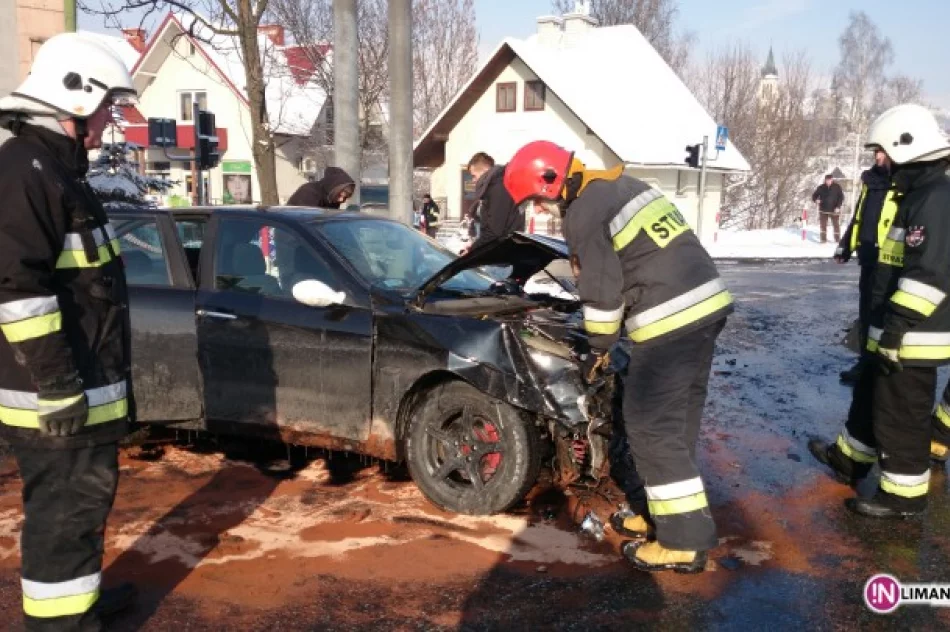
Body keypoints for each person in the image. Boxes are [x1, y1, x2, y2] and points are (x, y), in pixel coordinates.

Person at [504, 141, 733, 573]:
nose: (542, 209)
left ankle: (683, 544)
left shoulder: (584, 212)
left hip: (670, 321)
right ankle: (665, 517)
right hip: (706, 309)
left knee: (651, 428)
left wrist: (597, 348)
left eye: (537, 200)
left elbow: (602, 294)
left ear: (549, 182)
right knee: (676, 425)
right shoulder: (621, 187)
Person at [0, 33, 140, 630]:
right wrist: (57, 384)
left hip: (81, 391)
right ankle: (61, 623)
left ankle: (79, 600)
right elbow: (16, 289)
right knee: (64, 517)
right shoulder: (26, 172)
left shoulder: (54, 170)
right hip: (57, 400)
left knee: (80, 511)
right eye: (107, 106)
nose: (111, 119)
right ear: (74, 99)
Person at [809, 103, 950, 519]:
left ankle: (904, 496)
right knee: (871, 395)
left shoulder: (935, 199)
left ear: (907, 148)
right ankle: (850, 459)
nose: (879, 160)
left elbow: (929, 274)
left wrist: (895, 329)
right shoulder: (917, 195)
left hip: (910, 336)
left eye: (883, 151)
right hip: (891, 328)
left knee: (901, 413)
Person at [834, 149, 897, 385]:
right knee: (867, 313)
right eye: (876, 153)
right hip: (869, 255)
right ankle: (866, 362)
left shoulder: (902, 182)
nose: (878, 158)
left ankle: (881, 366)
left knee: (882, 314)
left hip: (891, 259)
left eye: (882, 153)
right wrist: (845, 246)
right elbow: (859, 217)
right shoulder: (871, 181)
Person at [462, 152, 524, 254]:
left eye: (474, 176)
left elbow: (494, 232)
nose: (473, 180)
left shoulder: (498, 188)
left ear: (485, 171)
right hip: (499, 251)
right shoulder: (494, 186)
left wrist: (471, 250)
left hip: (503, 254)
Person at [287, 166, 355, 208]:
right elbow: (306, 222)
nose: (341, 200)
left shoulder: (332, 200)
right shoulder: (309, 193)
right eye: (339, 195)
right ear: (332, 188)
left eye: (345, 197)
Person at [812, 173, 845, 243]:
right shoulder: (821, 187)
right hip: (823, 210)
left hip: (834, 210)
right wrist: (816, 200)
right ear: (825, 180)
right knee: (823, 226)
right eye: (827, 180)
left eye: (829, 180)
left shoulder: (837, 187)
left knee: (836, 225)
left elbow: (841, 197)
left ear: (832, 180)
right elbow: (814, 195)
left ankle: (837, 240)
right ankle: (823, 240)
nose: (828, 181)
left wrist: (838, 207)